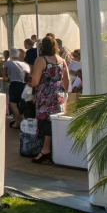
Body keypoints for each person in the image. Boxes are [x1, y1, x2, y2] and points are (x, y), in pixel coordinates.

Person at [30, 36, 69, 164]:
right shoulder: (61, 60)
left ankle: (45, 150)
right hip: (58, 93)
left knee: (45, 121)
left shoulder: (41, 60)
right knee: (55, 120)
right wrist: (64, 92)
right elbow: (67, 80)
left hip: (45, 94)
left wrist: (29, 83)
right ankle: (52, 149)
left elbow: (35, 81)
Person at [4, 48, 31, 129]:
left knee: (13, 103)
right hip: (25, 85)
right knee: (22, 103)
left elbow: (5, 77)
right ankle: (21, 120)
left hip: (15, 84)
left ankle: (18, 121)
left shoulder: (8, 63)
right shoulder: (25, 64)